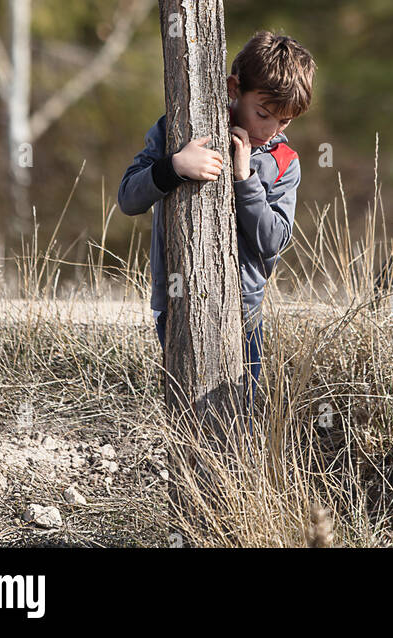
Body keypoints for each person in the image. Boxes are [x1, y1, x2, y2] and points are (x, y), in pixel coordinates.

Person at [117, 31, 315, 415]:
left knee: (239, 416)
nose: (270, 130)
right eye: (262, 113)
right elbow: (128, 198)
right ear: (234, 88)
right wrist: (173, 167)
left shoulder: (285, 161)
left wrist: (245, 180)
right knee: (188, 415)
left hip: (243, 312)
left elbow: (273, 240)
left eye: (285, 120)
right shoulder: (178, 129)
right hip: (176, 303)